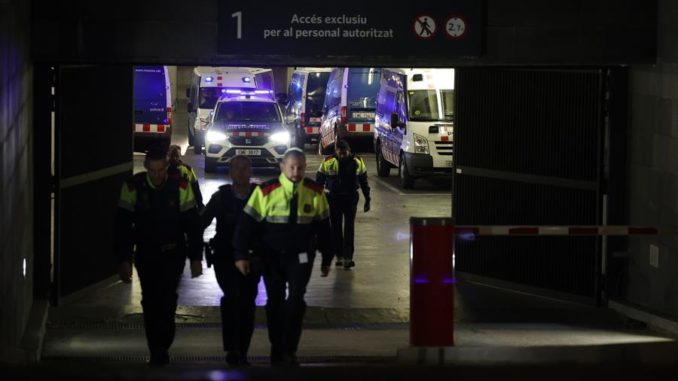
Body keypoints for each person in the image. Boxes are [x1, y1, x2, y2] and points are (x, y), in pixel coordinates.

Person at [233, 148, 332, 366]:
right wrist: (241, 254)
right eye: (292, 167)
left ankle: (289, 350)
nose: (296, 172)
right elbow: (245, 226)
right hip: (272, 258)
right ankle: (277, 348)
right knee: (275, 303)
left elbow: (325, 228)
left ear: (306, 167)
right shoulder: (266, 191)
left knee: (296, 301)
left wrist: (327, 258)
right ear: (282, 167)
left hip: (301, 257)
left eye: (300, 168)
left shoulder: (315, 192)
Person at [114, 147, 203, 366]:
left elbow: (192, 225)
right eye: (152, 171)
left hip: (173, 254)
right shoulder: (133, 187)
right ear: (145, 168)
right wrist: (124, 259)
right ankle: (157, 349)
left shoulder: (180, 186)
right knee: (150, 301)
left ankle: (162, 344)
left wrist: (195, 258)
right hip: (146, 254)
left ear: (166, 167)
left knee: (167, 300)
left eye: (160, 170)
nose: (156, 175)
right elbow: (122, 227)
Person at [200, 156, 259, 366]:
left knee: (247, 303)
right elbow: (201, 222)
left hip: (252, 259)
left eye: (245, 168)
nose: (241, 172)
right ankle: (233, 349)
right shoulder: (221, 197)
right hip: (225, 258)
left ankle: (242, 349)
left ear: (250, 171)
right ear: (230, 172)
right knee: (233, 299)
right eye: (237, 168)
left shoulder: (260, 197)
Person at [316, 139, 371, 269]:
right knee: (335, 228)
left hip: (351, 198)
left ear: (349, 151)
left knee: (349, 228)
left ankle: (348, 258)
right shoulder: (328, 161)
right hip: (333, 199)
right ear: (336, 151)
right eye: (340, 153)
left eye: (344, 153)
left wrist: (368, 198)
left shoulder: (358, 161)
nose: (342, 156)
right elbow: (319, 181)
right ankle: (339, 256)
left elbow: (364, 181)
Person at [168, 144, 204, 208]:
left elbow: (195, 187)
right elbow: (196, 188)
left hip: (185, 209)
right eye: (173, 156)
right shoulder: (187, 169)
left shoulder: (187, 170)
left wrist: (200, 204)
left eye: (176, 156)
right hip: (185, 209)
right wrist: (200, 204)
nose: (175, 158)